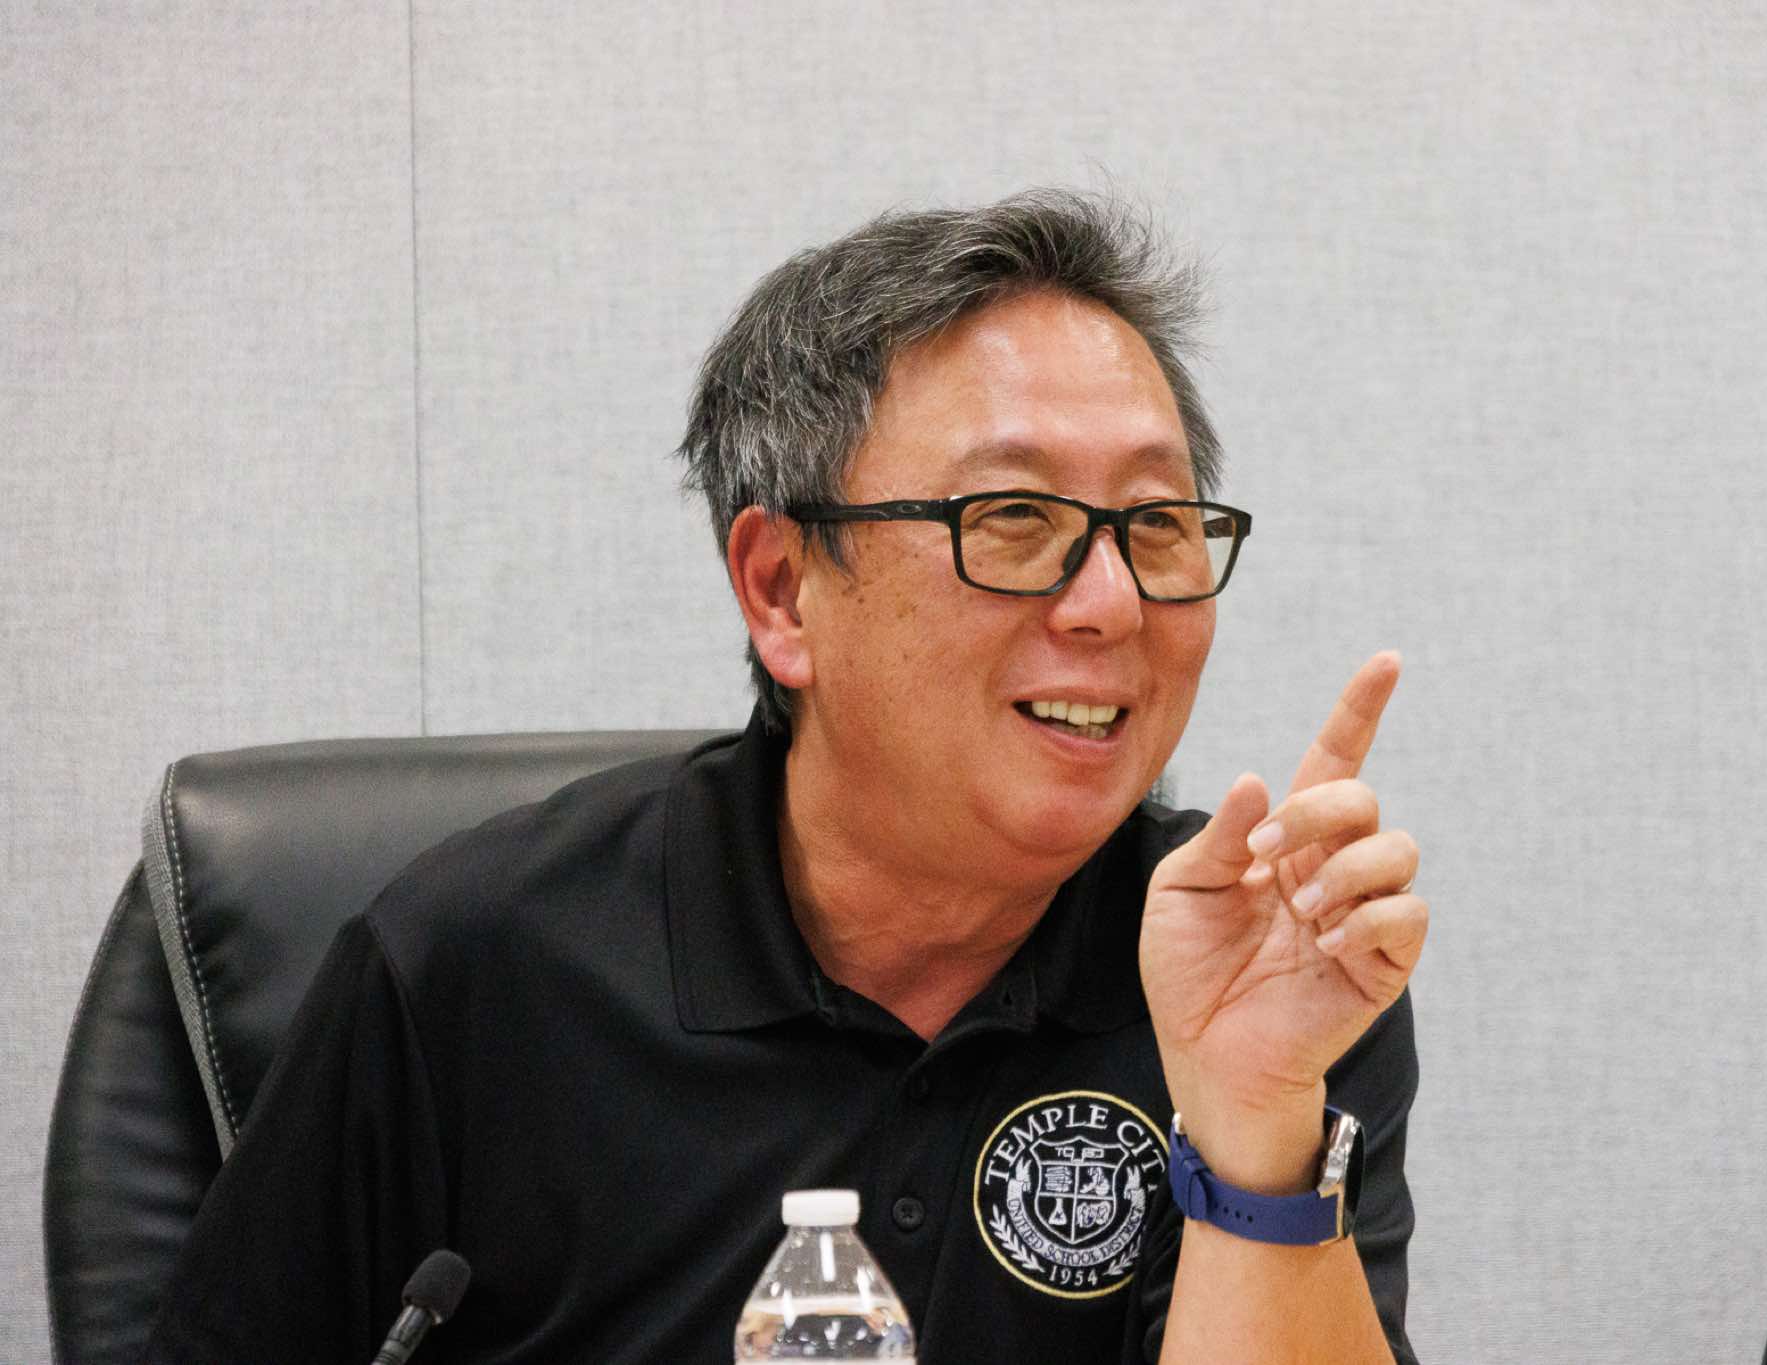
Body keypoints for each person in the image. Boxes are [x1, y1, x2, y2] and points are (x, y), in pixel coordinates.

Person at [142, 189, 1429, 1363]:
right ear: (780, 590)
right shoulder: (472, 966)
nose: (1110, 603)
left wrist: (1253, 1119)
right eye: (1011, 520)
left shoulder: (1254, 964)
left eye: (1154, 526)